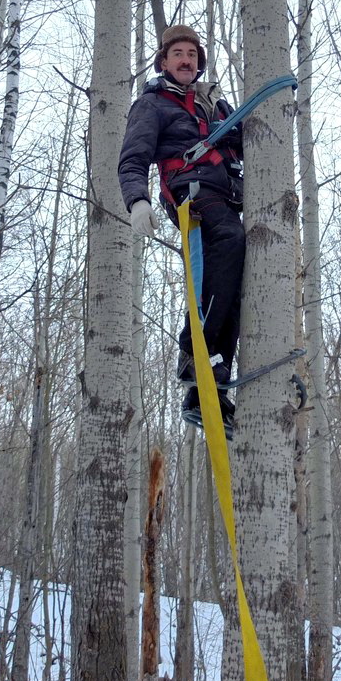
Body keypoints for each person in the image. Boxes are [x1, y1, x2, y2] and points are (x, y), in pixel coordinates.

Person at [118, 24, 244, 432]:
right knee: (229, 241)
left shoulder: (219, 107)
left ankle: (209, 386)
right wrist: (137, 201)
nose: (186, 60)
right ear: (164, 62)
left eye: (192, 54)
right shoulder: (152, 105)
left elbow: (246, 142)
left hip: (228, 197)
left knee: (234, 278)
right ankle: (195, 354)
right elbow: (133, 158)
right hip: (192, 194)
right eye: (178, 54)